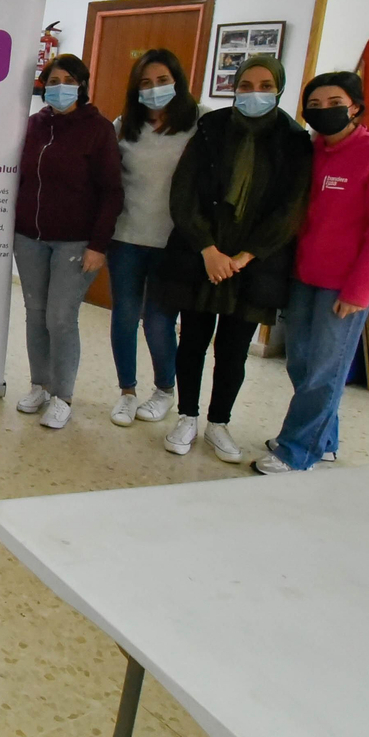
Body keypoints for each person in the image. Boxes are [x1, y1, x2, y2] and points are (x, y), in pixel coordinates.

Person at [156, 55, 311, 462]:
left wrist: (245, 256)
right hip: (202, 255)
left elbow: (291, 208)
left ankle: (218, 422)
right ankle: (187, 416)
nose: (253, 93)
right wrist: (208, 249)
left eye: (264, 86)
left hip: (254, 263)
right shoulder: (211, 128)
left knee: (233, 350)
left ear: (278, 88)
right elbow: (183, 192)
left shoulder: (294, 139)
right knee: (191, 341)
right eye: (245, 85)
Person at [257, 73, 369, 474]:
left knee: (325, 369)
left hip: (343, 284)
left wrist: (359, 289)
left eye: (334, 102)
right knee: (301, 365)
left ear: (355, 106)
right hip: (303, 276)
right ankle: (323, 440)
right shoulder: (311, 150)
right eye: (315, 105)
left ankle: (296, 450)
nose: (325, 112)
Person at [13, 55, 124, 430]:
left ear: (81, 85)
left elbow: (112, 193)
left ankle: (63, 395)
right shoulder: (34, 124)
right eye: (52, 80)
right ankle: (39, 385)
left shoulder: (98, 129)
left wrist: (99, 244)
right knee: (35, 313)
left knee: (60, 317)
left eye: (67, 79)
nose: (58, 86)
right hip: (29, 237)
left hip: (75, 243)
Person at [107, 50, 200, 428]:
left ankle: (164, 389)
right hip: (126, 237)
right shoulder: (123, 125)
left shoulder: (199, 122)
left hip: (174, 242)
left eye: (162, 81)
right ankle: (126, 392)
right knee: (125, 316)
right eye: (145, 83)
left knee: (159, 322)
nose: (154, 89)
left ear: (176, 81)